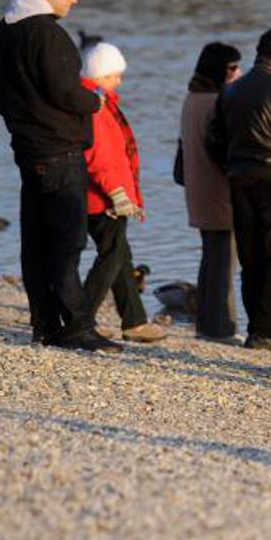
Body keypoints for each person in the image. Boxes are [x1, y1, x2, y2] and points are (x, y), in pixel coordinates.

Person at [0, 0, 120, 352]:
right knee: (67, 240)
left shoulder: (4, 29)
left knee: (37, 240)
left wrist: (25, 118)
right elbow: (65, 93)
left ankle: (44, 325)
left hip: (27, 149)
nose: (75, 0)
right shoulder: (48, 33)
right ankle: (76, 326)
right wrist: (93, 100)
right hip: (59, 150)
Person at [206, 28, 271, 353]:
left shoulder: (232, 92)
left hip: (240, 181)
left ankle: (255, 330)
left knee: (251, 257)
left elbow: (213, 140)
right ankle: (269, 331)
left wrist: (232, 167)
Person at [79, 42, 165, 342]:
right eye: (115, 75)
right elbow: (99, 155)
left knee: (121, 256)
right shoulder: (95, 106)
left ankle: (134, 321)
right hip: (103, 198)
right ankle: (80, 319)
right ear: (101, 76)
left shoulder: (99, 102)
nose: (120, 81)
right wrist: (117, 193)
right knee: (111, 256)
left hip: (102, 194)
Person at [178, 42, 243, 342]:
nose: (237, 73)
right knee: (223, 264)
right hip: (219, 192)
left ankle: (206, 323)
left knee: (211, 260)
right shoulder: (218, 102)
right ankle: (222, 328)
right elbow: (224, 150)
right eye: (232, 68)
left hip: (198, 190)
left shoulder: (192, 98)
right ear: (219, 69)